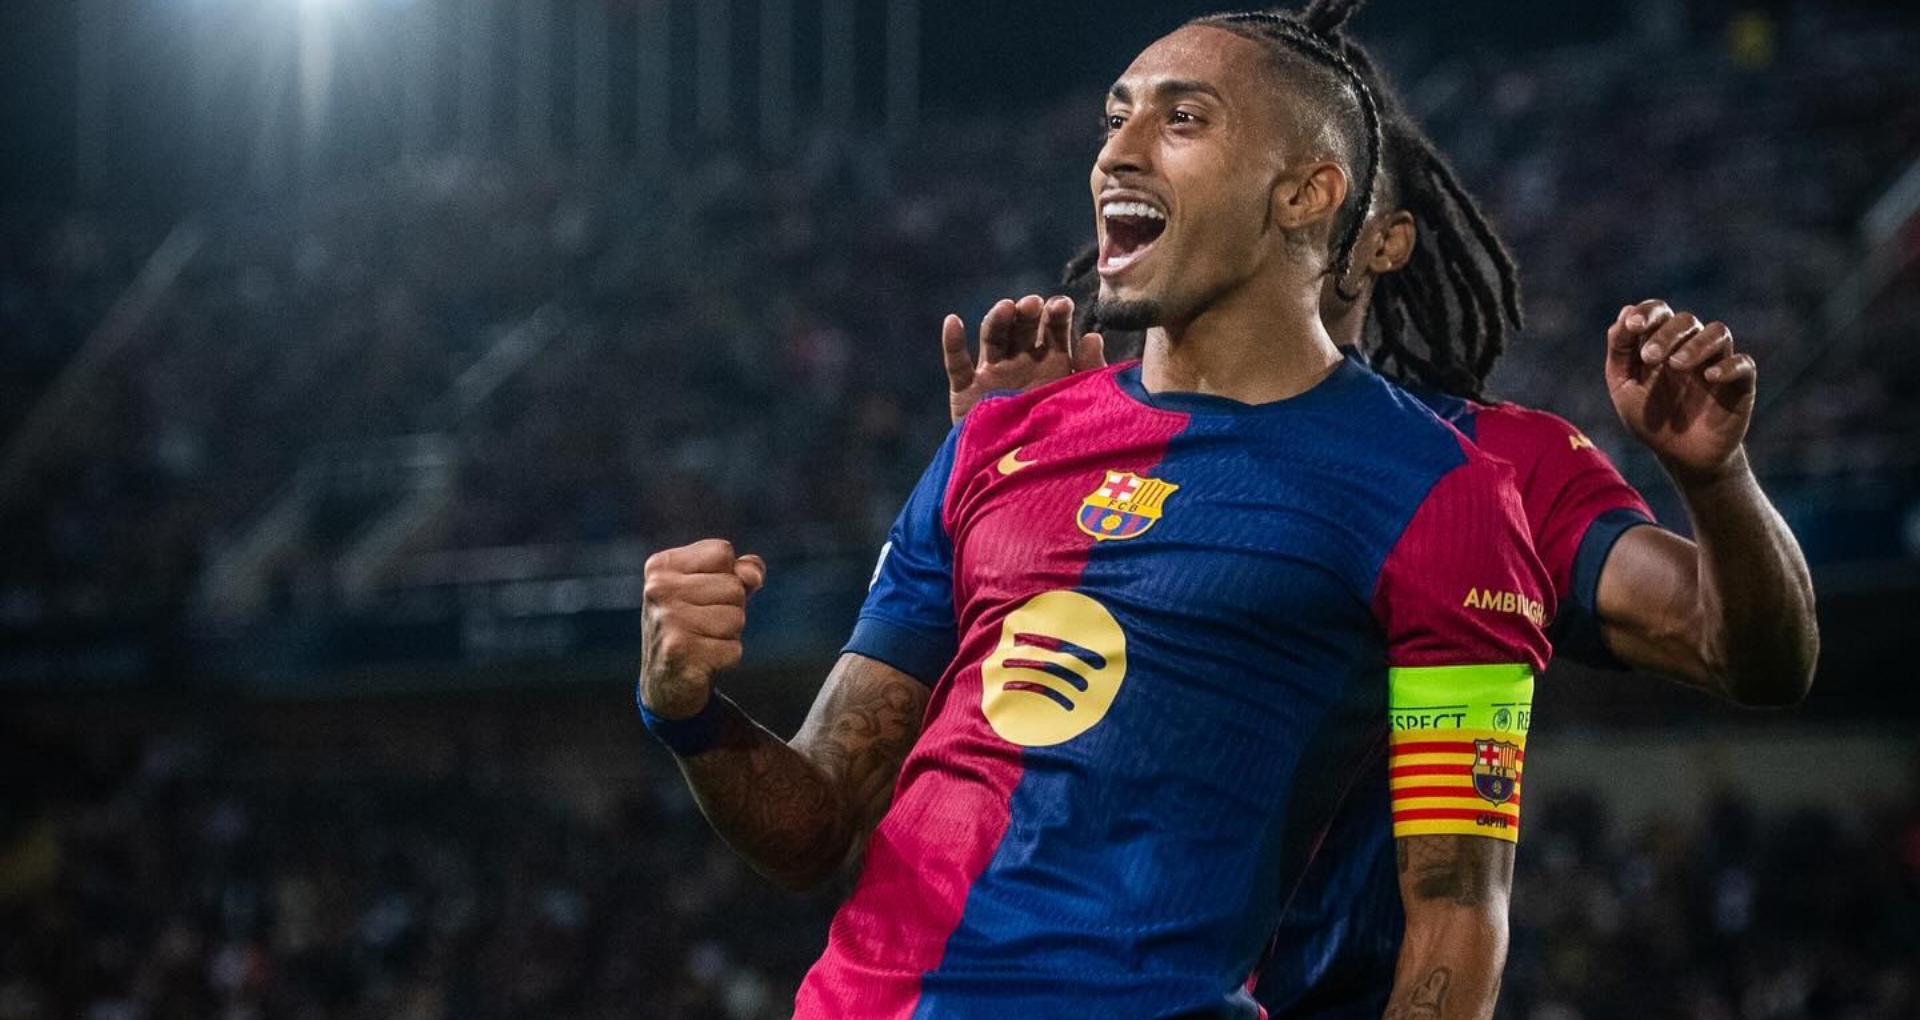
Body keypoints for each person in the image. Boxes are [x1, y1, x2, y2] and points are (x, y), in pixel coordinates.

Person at [639, 10, 1553, 1018]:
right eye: (1116, 119)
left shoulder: (1440, 493)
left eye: (1182, 119)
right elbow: (810, 830)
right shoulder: (992, 442)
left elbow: (1456, 911)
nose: (1118, 151)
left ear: (1305, 193)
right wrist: (686, 710)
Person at [934, 3, 1817, 1015]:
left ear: (1380, 236)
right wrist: (1005, 485)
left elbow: (1748, 654)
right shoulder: (1070, 442)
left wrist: (1716, 481)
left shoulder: (1484, 469)